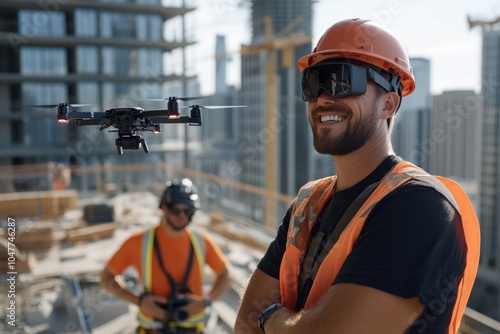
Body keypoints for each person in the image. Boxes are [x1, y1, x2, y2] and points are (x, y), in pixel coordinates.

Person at [234, 18, 480, 334]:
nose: (322, 97)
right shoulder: (308, 204)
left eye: (342, 81)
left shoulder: (419, 207)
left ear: (388, 104)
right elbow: (243, 323)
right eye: (313, 82)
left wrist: (272, 318)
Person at [100, 178, 232, 334]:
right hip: (152, 329)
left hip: (192, 329)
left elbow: (226, 274)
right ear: (164, 207)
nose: (182, 215)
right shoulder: (138, 242)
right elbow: (106, 277)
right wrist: (139, 301)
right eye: (176, 209)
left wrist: (205, 301)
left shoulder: (202, 242)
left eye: (188, 211)